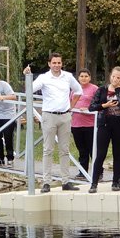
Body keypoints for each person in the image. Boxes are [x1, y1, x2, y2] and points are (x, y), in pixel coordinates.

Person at [25, 53, 82, 193]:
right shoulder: (44, 77)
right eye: (54, 63)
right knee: (48, 149)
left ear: (62, 64)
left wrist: (71, 106)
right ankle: (46, 182)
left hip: (65, 116)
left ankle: (66, 181)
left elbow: (78, 90)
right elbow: (29, 89)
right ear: (49, 64)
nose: (56, 65)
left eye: (59, 63)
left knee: (64, 150)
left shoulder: (67, 76)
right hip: (49, 115)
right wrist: (27, 76)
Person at [88, 66, 120, 192]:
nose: (115, 79)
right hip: (105, 124)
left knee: (118, 154)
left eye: (118, 78)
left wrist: (118, 91)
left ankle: (115, 182)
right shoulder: (102, 90)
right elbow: (91, 107)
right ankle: (94, 183)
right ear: (110, 76)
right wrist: (104, 105)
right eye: (113, 76)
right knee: (100, 154)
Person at [71, 68, 97, 179]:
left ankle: (98, 171)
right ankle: (83, 171)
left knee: (92, 149)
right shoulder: (74, 89)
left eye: (86, 76)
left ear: (90, 77)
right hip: (76, 124)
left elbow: (99, 104)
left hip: (90, 124)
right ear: (78, 78)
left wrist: (88, 108)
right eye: (81, 76)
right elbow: (69, 103)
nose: (84, 78)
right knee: (81, 150)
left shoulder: (95, 89)